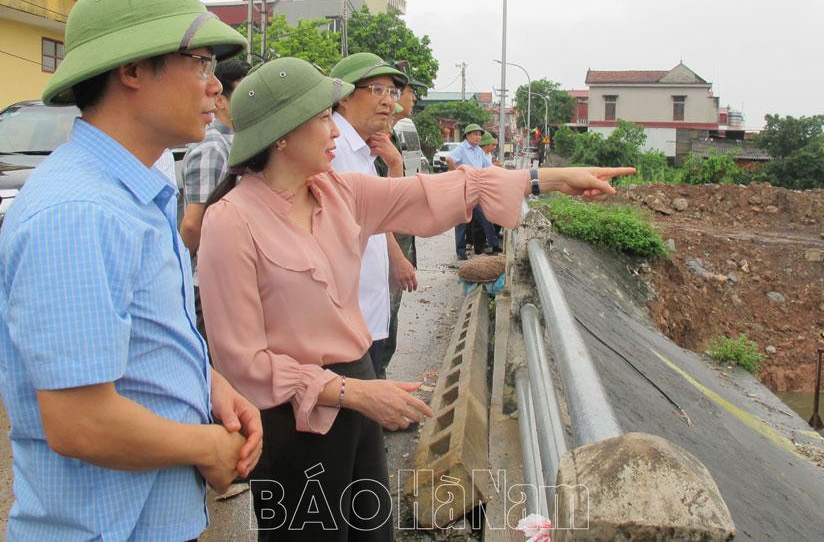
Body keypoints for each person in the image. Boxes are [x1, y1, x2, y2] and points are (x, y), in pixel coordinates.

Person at [196, 57, 634, 539]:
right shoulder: (231, 222)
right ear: (281, 135)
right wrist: (356, 394)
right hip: (293, 417)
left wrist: (549, 180)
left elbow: (434, 191)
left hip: (358, 392)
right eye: (322, 117)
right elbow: (242, 363)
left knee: (371, 532)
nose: (335, 130)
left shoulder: (339, 193)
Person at [0, 0, 263, 541]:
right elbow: (82, 423)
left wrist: (209, 386)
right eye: (201, 63)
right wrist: (208, 445)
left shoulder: (140, 185)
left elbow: (142, 335)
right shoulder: (79, 211)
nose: (216, 87)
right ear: (132, 70)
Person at [328, 52, 417, 377]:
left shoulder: (364, 150)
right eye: (377, 90)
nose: (388, 102)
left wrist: (394, 165)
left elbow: (383, 216)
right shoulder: (332, 149)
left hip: (366, 311)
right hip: (344, 320)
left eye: (392, 93)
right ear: (345, 97)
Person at [181, 57, 251, 336]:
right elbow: (192, 224)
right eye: (245, 94)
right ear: (220, 100)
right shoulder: (213, 147)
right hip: (208, 286)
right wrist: (186, 276)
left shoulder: (237, 142)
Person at [378, 62, 425, 379]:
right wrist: (397, 258)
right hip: (386, 245)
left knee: (388, 317)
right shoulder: (378, 143)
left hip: (398, 242)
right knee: (382, 319)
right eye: (409, 91)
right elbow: (377, 212)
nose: (413, 98)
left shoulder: (392, 136)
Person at [447, 123, 501, 258]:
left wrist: (501, 172)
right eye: (476, 134)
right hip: (463, 189)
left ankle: (494, 245)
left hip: (476, 189)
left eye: (480, 135)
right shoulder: (461, 148)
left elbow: (488, 167)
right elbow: (449, 159)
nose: (478, 137)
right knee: (461, 220)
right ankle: (460, 252)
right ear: (468, 135)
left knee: (485, 216)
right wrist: (457, 174)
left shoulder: (478, 150)